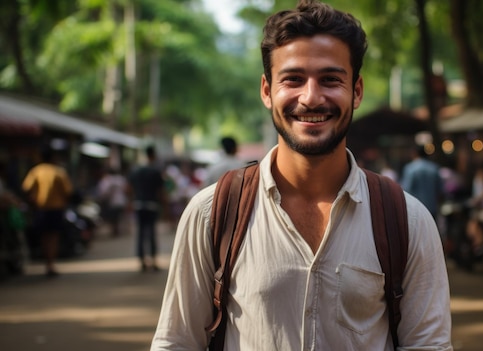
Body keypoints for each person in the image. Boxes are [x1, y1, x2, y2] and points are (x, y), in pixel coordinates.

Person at [151, 1, 452, 350]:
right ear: (267, 91)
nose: (311, 98)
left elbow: (428, 345)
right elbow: (177, 342)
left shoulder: (408, 221)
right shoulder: (211, 214)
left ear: (356, 91)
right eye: (293, 79)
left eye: (330, 80)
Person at [21, 147, 73, 277]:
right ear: (53, 157)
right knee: (53, 237)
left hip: (41, 209)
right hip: (56, 209)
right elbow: (68, 191)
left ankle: (47, 262)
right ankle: (51, 264)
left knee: (44, 236)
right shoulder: (59, 172)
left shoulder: (35, 171)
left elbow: (26, 187)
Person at [128, 145, 168, 272]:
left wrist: (131, 201)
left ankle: (142, 261)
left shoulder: (136, 170)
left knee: (140, 233)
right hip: (152, 205)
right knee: (151, 233)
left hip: (139, 204)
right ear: (154, 155)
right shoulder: (156, 171)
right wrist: (165, 207)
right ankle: (153, 260)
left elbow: (128, 188)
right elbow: (161, 191)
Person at [401, 144, 444, 220]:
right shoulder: (434, 168)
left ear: (414, 153)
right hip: (432, 207)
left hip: (416, 209)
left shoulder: (410, 169)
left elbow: (406, 189)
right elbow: (440, 189)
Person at [97, 167, 128, 237]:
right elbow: (126, 190)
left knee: (113, 218)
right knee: (118, 217)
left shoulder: (107, 180)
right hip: (121, 201)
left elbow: (104, 192)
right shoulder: (121, 179)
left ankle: (115, 230)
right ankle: (117, 230)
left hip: (113, 202)